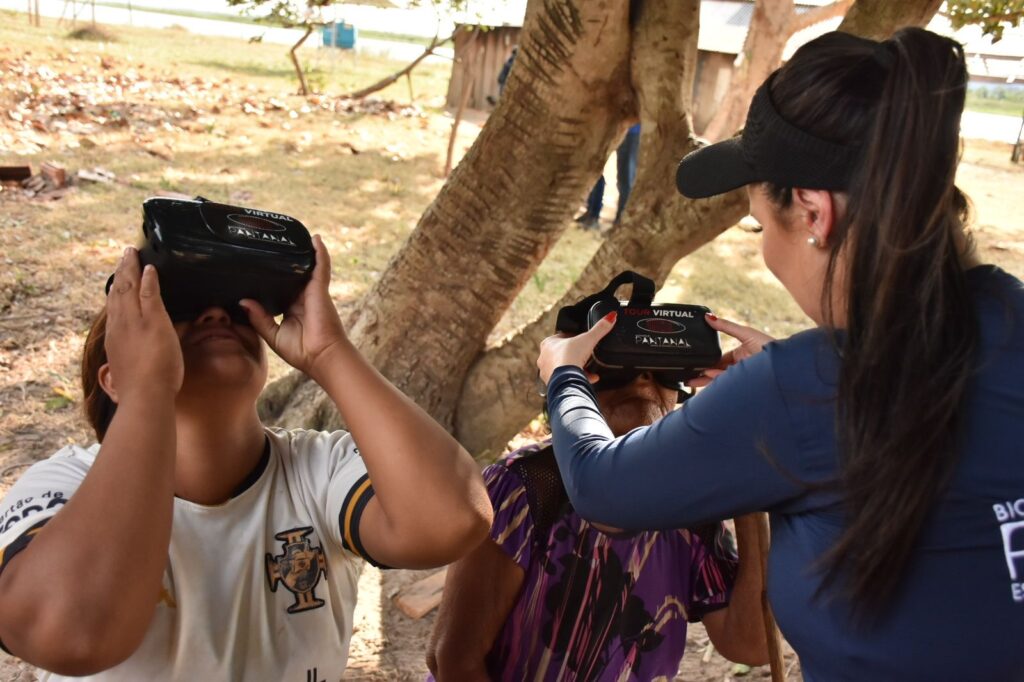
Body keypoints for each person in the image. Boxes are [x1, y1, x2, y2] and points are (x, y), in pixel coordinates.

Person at [537, 28, 1024, 680]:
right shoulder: (1009, 313)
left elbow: (601, 486)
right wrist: (790, 373)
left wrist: (564, 374)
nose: (766, 252)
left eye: (761, 226)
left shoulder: (799, 393)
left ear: (816, 214)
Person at [0, 238, 491, 680]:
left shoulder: (317, 472)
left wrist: (329, 352)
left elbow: (454, 520)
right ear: (113, 377)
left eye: (236, 311)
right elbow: (70, 636)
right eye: (181, 309)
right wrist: (147, 388)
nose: (216, 316)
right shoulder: (62, 486)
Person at [426, 364, 769, 681]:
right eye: (620, 364)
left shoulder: (691, 509)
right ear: (572, 380)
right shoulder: (524, 486)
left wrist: (750, 486)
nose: (643, 378)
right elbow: (454, 660)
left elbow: (752, 645)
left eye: (659, 367)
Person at [575, 124, 641, 230]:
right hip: (607, 126)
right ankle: (592, 212)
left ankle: (620, 222)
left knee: (625, 177)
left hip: (630, 131)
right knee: (595, 168)